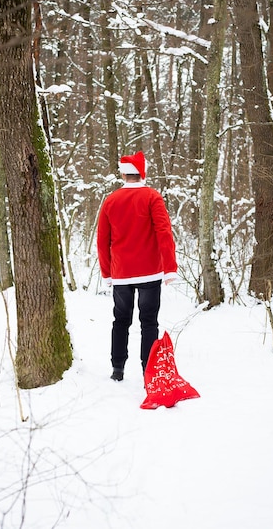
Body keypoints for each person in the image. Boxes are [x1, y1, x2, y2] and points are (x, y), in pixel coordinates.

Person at [97, 151, 178, 381]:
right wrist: (170, 266)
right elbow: (164, 232)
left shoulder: (110, 201)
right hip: (150, 272)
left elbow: (103, 241)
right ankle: (148, 372)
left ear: (123, 173)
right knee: (149, 321)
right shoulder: (153, 197)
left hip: (121, 273)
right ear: (143, 172)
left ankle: (117, 369)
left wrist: (107, 272)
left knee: (121, 320)